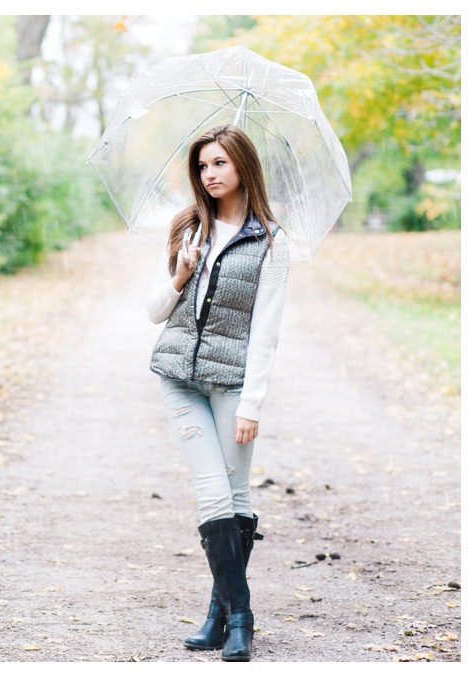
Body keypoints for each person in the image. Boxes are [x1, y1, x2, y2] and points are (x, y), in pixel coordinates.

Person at [145, 124, 290, 662]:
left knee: (236, 496)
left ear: (243, 166)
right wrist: (181, 273)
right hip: (180, 379)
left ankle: (217, 616)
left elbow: (266, 331)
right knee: (212, 494)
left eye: (220, 163)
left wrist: (252, 404)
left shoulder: (271, 242)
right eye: (203, 166)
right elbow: (154, 310)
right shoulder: (188, 227)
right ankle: (241, 618)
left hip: (232, 383)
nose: (209, 174)